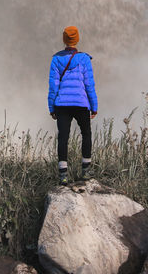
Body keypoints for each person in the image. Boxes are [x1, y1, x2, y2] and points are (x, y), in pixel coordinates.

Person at [48, 25, 98, 184]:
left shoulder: (56, 59)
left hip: (62, 104)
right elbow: (89, 84)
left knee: (63, 138)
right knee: (86, 134)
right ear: (77, 40)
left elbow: (53, 86)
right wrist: (94, 105)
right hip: (81, 103)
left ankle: (63, 176)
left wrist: (51, 107)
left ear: (64, 40)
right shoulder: (84, 58)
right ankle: (85, 172)